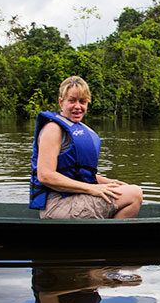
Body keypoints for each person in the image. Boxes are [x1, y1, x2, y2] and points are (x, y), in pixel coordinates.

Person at [30, 76, 142, 219]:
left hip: (75, 198)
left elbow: (78, 173)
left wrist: (110, 183)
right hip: (57, 206)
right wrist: (92, 188)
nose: (78, 106)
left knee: (124, 189)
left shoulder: (80, 129)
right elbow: (45, 176)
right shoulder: (53, 129)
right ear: (61, 102)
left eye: (82, 101)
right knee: (134, 194)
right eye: (72, 100)